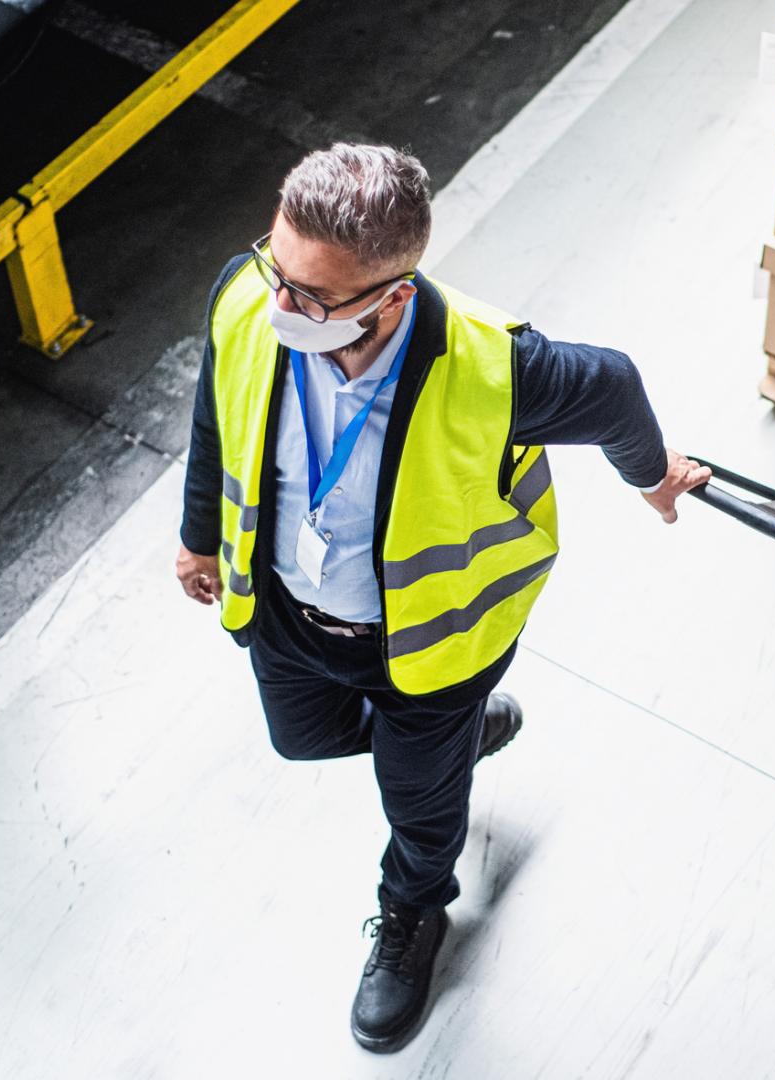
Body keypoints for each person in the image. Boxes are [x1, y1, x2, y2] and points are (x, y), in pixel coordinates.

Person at [173, 143, 710, 1053]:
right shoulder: (248, 297)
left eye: (313, 297)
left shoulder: (497, 372)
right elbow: (216, 409)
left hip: (430, 648)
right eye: (278, 267)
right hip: (291, 617)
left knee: (420, 812)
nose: (281, 306)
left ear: (392, 296)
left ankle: (415, 913)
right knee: (300, 741)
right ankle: (457, 743)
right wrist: (197, 533)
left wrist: (653, 478)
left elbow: (615, 387)